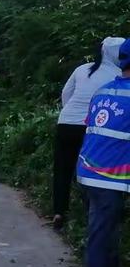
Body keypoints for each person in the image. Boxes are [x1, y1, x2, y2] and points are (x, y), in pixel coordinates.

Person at [76, 37, 130, 267]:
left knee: (104, 234)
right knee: (100, 239)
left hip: (87, 173)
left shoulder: (103, 90)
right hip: (108, 180)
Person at [53, 37, 124, 230]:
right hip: (91, 128)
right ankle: (88, 213)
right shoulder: (118, 75)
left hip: (66, 123)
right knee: (90, 169)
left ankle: (59, 211)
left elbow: (66, 94)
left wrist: (71, 115)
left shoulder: (82, 69)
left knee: (62, 169)